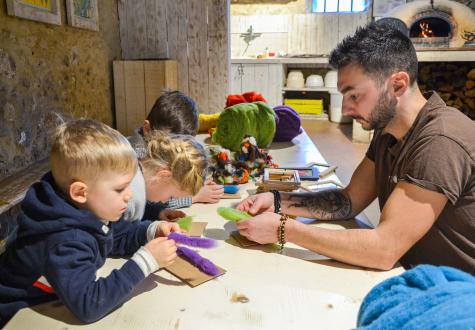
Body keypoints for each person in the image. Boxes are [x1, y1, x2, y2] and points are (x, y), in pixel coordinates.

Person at [236, 22, 475, 274]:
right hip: (416, 275)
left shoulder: (440, 142)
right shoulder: (388, 131)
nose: (347, 109)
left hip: (460, 297)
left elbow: (383, 249)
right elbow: (349, 200)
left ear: (397, 85)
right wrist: (275, 200)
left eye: (355, 96)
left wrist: (285, 230)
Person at [0, 119, 180, 326]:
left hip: (57, 298)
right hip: (18, 315)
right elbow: (88, 304)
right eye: (120, 189)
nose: (129, 195)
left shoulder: (90, 208)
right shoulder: (64, 241)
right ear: (79, 192)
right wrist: (146, 261)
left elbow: (117, 235)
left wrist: (151, 230)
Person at [128, 91, 224, 208]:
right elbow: (146, 205)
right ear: (147, 129)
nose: (174, 151)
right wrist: (191, 197)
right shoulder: (135, 159)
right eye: (167, 141)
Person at [124, 130, 209, 222]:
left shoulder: (136, 174)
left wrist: (156, 212)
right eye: (171, 197)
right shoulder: (131, 196)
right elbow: (117, 233)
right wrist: (151, 230)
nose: (165, 202)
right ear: (164, 176)